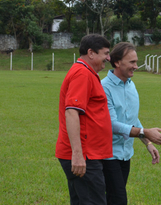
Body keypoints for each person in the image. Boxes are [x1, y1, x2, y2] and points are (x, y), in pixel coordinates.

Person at [101, 42, 161, 205]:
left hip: (125, 154)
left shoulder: (131, 86)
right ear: (117, 62)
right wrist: (144, 132)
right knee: (118, 200)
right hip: (107, 154)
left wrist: (148, 143)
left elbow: (132, 120)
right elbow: (111, 125)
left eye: (136, 61)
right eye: (132, 62)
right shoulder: (104, 87)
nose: (136, 66)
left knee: (111, 199)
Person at [55, 34, 113, 205]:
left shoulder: (87, 72)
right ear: (91, 53)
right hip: (85, 155)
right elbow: (72, 112)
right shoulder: (82, 74)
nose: (108, 58)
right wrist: (78, 155)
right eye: (105, 53)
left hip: (88, 153)